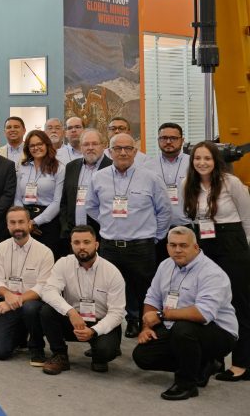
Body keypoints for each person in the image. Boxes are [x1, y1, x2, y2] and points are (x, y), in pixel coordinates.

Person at [133, 226, 239, 400]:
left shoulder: (212, 273)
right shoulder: (165, 265)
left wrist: (161, 316)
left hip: (219, 332)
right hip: (177, 327)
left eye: (183, 245)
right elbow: (152, 297)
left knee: (184, 330)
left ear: (195, 247)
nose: (177, 250)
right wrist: (146, 327)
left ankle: (186, 384)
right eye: (173, 245)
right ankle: (203, 364)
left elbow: (203, 314)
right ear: (167, 247)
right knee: (143, 356)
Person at [87, 132, 171, 338]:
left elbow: (164, 211)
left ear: (135, 152)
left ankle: (143, 323)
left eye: (128, 148)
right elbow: (91, 207)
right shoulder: (98, 177)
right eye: (118, 148)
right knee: (110, 290)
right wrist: (108, 222)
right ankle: (119, 328)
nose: (123, 153)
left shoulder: (151, 178)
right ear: (110, 152)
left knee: (144, 289)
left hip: (141, 246)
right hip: (110, 245)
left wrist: (155, 237)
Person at [183, 140, 250, 382]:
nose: (202, 162)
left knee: (239, 304)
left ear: (216, 161)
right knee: (207, 303)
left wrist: (246, 251)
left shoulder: (231, 183)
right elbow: (188, 217)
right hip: (204, 244)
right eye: (197, 158)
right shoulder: (187, 184)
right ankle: (213, 359)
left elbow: (247, 220)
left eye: (207, 158)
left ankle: (243, 363)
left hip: (233, 245)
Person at [40, 225, 126, 375]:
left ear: (96, 245)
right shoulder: (63, 263)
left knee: (105, 353)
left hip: (100, 321)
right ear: (71, 245)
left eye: (86, 242)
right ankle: (60, 355)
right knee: (47, 311)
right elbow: (48, 291)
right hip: (74, 320)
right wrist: (70, 312)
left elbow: (117, 313)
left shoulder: (112, 272)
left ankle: (99, 353)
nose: (81, 247)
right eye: (77, 242)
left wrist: (93, 331)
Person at [0, 207, 54, 363]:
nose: (17, 227)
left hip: (30, 304)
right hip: (7, 301)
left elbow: (42, 287)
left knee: (30, 308)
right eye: (12, 223)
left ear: (29, 224)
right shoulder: (1, 248)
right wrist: (7, 295)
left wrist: (16, 300)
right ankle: (20, 335)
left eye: (21, 222)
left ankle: (36, 346)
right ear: (7, 226)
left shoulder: (45, 252)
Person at [15, 130, 65, 254]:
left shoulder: (59, 168)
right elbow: (17, 197)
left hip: (48, 221)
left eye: (40, 144)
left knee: (47, 257)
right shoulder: (23, 167)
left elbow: (57, 201)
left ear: (47, 145)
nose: (36, 148)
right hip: (24, 218)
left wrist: (35, 222)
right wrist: (24, 220)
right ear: (27, 148)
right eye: (32, 145)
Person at [60, 129, 110, 237]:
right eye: (86, 144)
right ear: (81, 147)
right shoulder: (71, 167)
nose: (90, 147)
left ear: (103, 145)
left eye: (95, 144)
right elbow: (65, 201)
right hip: (73, 233)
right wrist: (65, 226)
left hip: (101, 234)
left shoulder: (112, 167)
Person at [152, 122, 191, 235]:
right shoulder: (148, 166)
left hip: (187, 226)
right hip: (157, 228)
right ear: (158, 140)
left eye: (173, 138)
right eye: (164, 138)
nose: (168, 141)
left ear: (182, 140)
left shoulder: (193, 163)